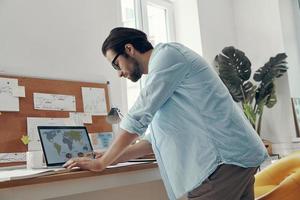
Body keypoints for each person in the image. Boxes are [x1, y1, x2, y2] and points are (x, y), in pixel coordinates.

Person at [63, 27, 268, 200]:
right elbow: (153, 140)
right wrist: (113, 156)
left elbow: (138, 116)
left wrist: (102, 163)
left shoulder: (168, 55)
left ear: (129, 49)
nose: (119, 72)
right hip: (234, 159)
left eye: (116, 64)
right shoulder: (165, 77)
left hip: (225, 160)